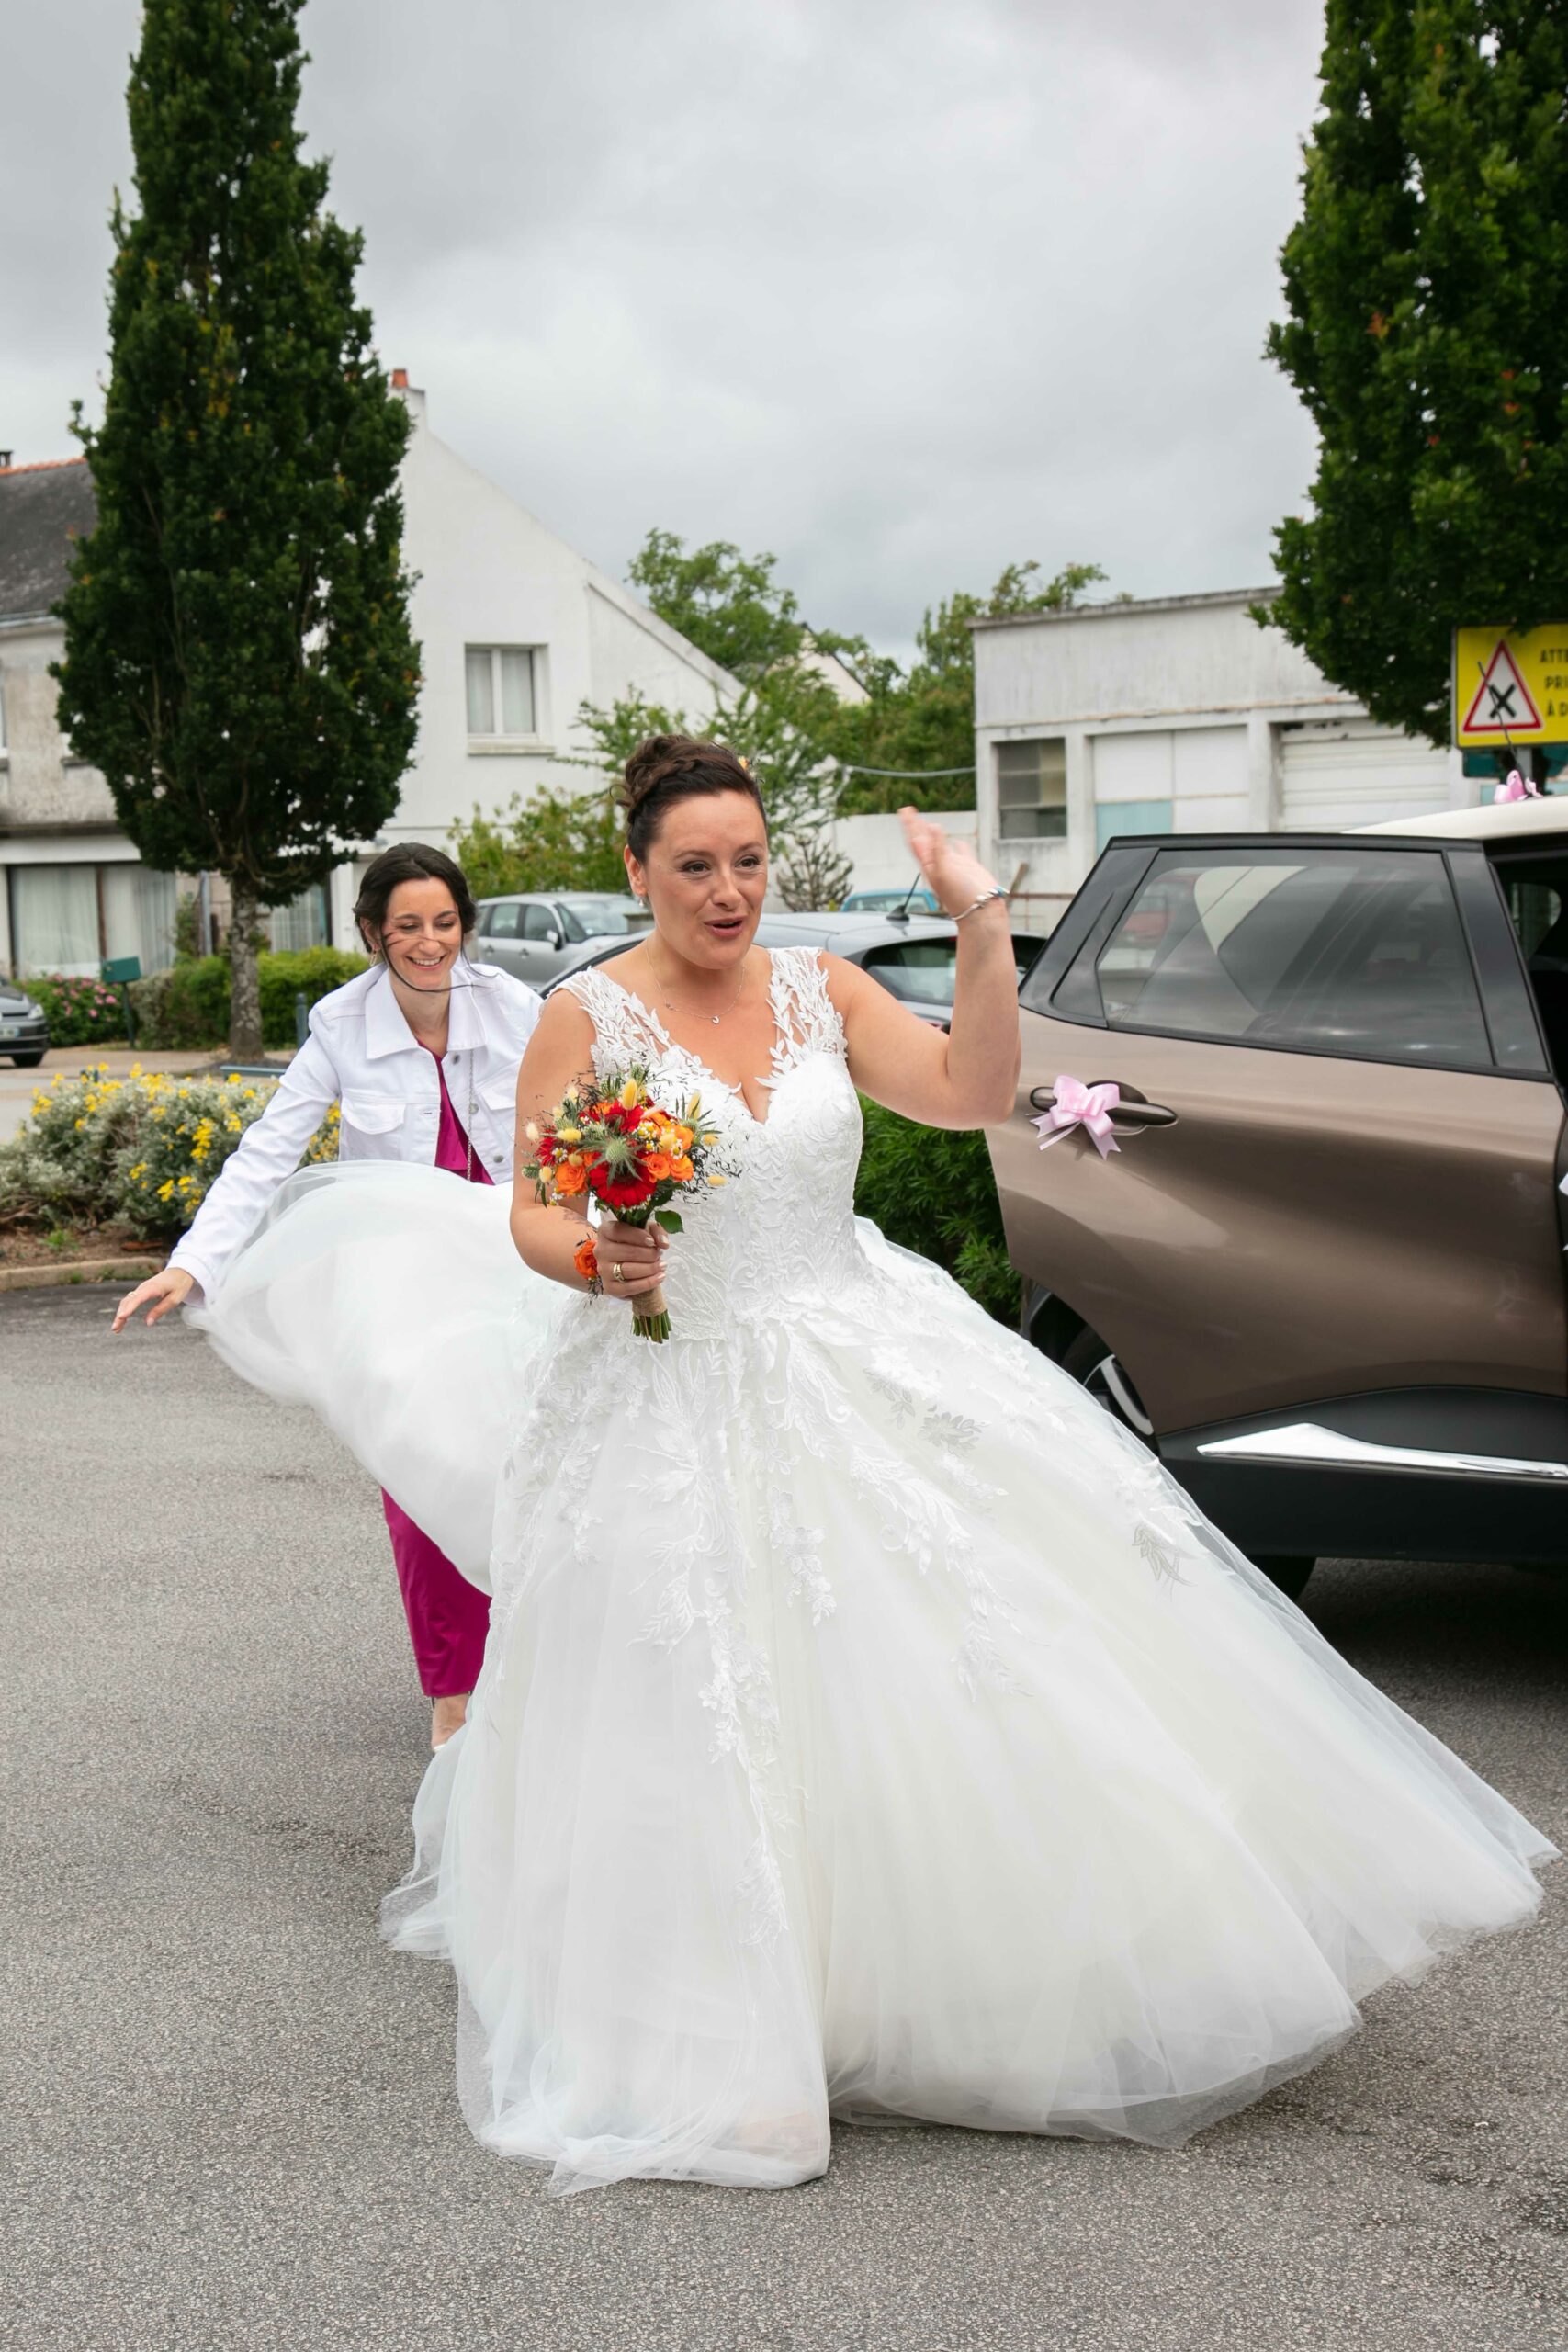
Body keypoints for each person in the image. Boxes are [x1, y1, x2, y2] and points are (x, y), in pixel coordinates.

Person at [195, 737, 1552, 2197]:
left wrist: (978, 918)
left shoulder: (821, 990)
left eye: (747, 861)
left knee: (963, 1651)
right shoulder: (583, 1017)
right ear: (638, 868)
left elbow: (972, 1089)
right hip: (670, 1377)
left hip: (855, 1337)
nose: (727, 890)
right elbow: (532, 1210)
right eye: (695, 866)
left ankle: (970, 1982)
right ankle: (729, 2018)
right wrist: (593, 1256)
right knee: (701, 1692)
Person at [113, 843, 540, 1749]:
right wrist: (194, 1263)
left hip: (514, 1263)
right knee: (420, 1473)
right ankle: (455, 1689)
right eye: (407, 926)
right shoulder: (342, 1026)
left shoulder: (517, 1007)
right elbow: (268, 1150)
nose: (430, 942)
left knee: (529, 1463)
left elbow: (577, 1116)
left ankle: (538, 1661)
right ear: (373, 934)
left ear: (466, 925)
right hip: (401, 1283)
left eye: (445, 922)